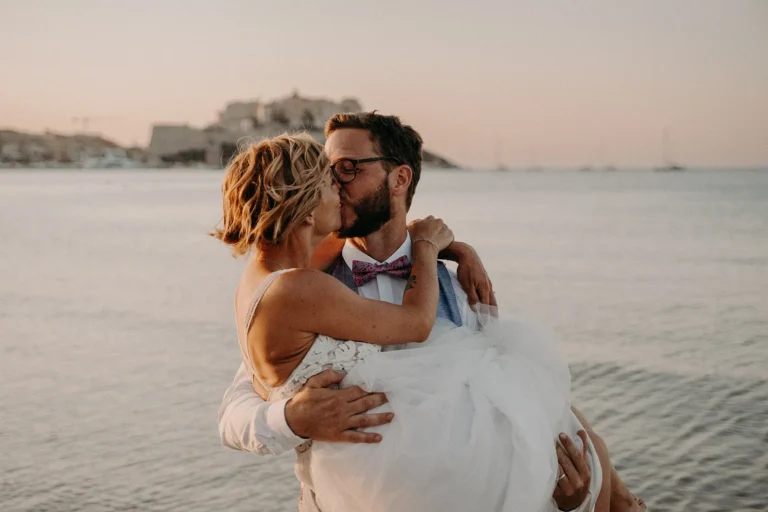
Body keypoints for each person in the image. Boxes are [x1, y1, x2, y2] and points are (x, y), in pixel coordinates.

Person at [217, 113, 645, 512]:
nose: (334, 183)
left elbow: (511, 392)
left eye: (347, 169)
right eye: (327, 172)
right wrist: (291, 417)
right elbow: (236, 411)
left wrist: (576, 494)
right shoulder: (304, 281)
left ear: (399, 178)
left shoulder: (459, 285)